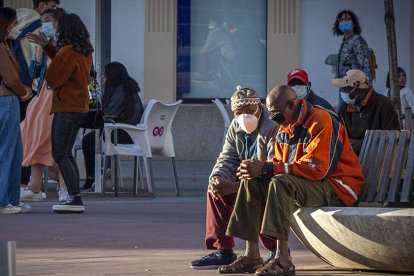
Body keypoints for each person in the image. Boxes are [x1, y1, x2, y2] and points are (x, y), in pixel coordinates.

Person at [218, 85, 365, 274]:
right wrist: (257, 168)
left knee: (281, 184)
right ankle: (251, 255)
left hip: (337, 187)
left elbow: (318, 169)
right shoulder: (285, 126)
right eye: (270, 114)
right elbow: (280, 164)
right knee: (251, 181)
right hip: (309, 183)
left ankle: (283, 259)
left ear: (291, 105)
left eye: (276, 114)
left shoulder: (321, 120)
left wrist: (268, 167)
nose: (273, 119)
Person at [190, 87, 279, 270]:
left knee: (256, 193)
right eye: (239, 113)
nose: (245, 116)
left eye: (249, 111)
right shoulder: (235, 126)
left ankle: (274, 250)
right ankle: (223, 251)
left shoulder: (273, 127)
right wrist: (218, 177)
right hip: (242, 181)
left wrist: (235, 187)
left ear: (259, 107)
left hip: (267, 185)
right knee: (214, 189)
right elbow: (227, 158)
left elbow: (274, 170)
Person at [27, 13, 93, 213]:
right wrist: (48, 46)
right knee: (67, 153)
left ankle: (75, 198)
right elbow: (64, 61)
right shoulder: (83, 51)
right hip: (80, 107)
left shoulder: (67, 52)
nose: (55, 30)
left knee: (60, 153)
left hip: (66, 107)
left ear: (66, 30)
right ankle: (75, 196)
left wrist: (43, 52)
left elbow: (53, 79)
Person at [20, 8, 70, 203]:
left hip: (58, 100)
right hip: (42, 99)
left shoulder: (68, 46)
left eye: (48, 20)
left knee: (58, 143)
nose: (44, 25)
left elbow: (80, 74)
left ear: (58, 22)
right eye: (42, 21)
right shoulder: (44, 45)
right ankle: (34, 186)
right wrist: (40, 51)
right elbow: (33, 73)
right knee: (35, 137)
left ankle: (64, 187)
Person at [81, 62, 144, 191]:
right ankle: (102, 170)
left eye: (105, 74)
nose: (103, 77)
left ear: (112, 75)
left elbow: (108, 114)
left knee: (88, 140)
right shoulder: (125, 89)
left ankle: (91, 178)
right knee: (92, 139)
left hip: (123, 133)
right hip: (127, 132)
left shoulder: (120, 92)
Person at [0, 7, 33, 214]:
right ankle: (4, 200)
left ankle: (12, 199)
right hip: (7, 100)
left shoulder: (6, 44)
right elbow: (11, 78)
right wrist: (24, 91)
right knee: (8, 152)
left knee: (14, 152)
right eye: (13, 23)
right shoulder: (1, 47)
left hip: (8, 100)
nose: (15, 27)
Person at [332, 69, 400, 155]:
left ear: (357, 89)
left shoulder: (384, 105)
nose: (342, 93)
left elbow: (394, 138)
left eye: (345, 90)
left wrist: (365, 144)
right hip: (352, 159)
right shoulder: (344, 107)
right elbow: (338, 135)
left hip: (378, 159)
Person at [333, 10, 370, 107]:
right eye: (341, 20)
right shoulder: (345, 41)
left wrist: (363, 87)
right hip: (344, 86)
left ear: (353, 23)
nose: (344, 22)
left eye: (347, 19)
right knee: (343, 115)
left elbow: (364, 64)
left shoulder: (357, 40)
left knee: (348, 114)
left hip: (354, 87)